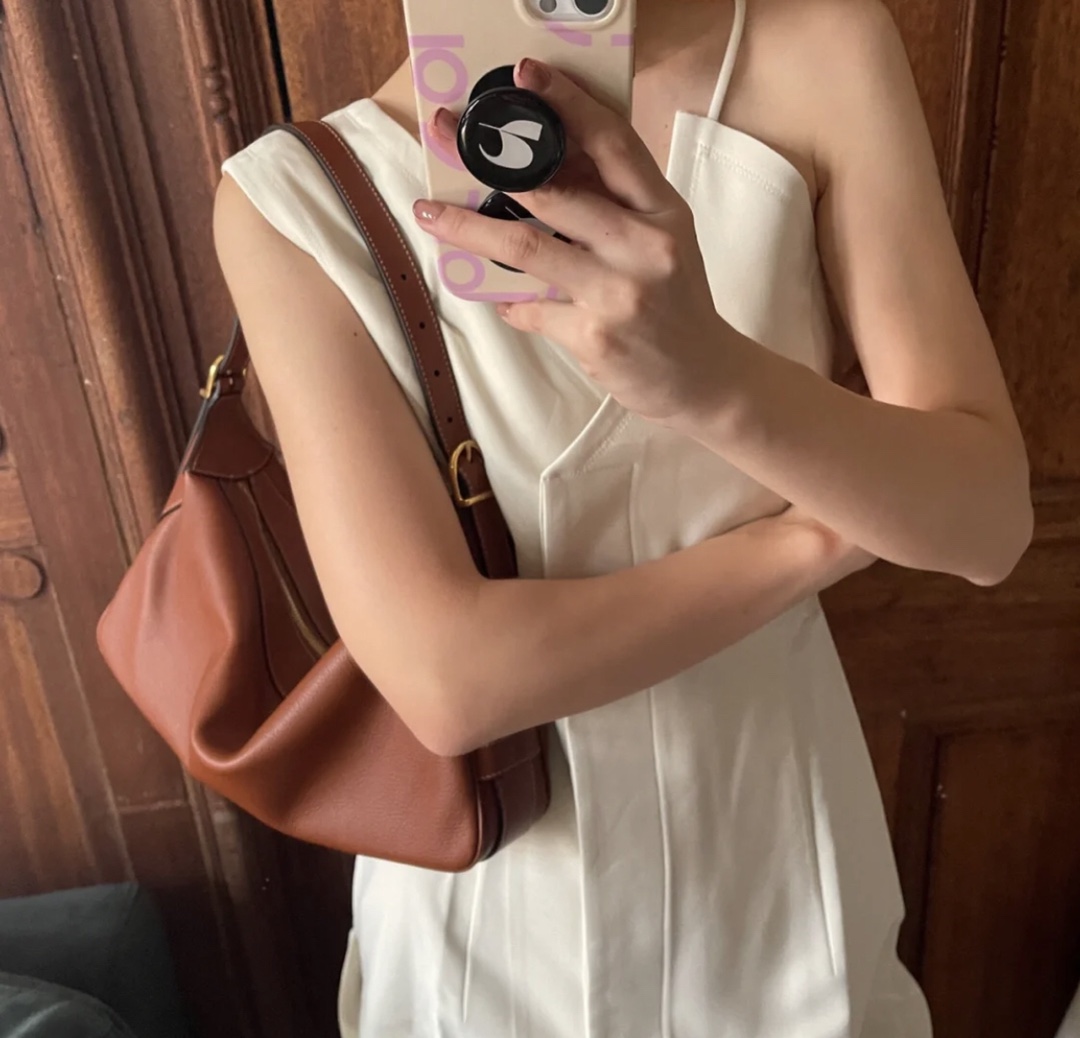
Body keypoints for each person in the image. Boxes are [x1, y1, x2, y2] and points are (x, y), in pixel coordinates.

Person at [212, 0, 1032, 1034]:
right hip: (491, 930)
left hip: (777, 876)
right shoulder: (292, 201)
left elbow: (986, 525)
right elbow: (449, 682)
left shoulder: (821, 49)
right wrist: (816, 537)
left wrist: (715, 380)